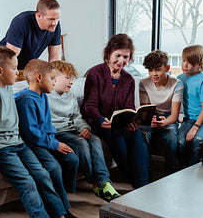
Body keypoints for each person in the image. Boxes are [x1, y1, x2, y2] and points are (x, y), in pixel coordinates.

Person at [0, 46, 75, 218]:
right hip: (1, 149)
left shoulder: (6, 86)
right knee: (27, 182)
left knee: (42, 174)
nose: (17, 73)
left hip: (17, 144)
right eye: (14, 68)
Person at [14, 59, 82, 218]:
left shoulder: (43, 95)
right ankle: (62, 211)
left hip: (47, 140)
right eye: (52, 78)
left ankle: (59, 198)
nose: (54, 82)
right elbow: (31, 133)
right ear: (39, 77)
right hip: (34, 144)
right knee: (53, 167)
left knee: (71, 158)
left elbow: (47, 125)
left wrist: (54, 141)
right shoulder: (26, 99)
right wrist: (54, 145)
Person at [81, 33, 149, 189]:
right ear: (109, 54)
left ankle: (143, 184)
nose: (121, 60)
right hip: (100, 122)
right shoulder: (94, 73)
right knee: (117, 136)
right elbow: (89, 105)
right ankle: (137, 184)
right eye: (117, 55)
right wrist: (100, 120)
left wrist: (133, 121)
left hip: (119, 122)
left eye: (125, 57)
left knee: (136, 134)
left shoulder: (129, 79)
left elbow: (130, 107)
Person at [48, 60, 121, 202]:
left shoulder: (70, 96)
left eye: (73, 78)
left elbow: (77, 116)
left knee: (94, 139)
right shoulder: (45, 96)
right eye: (67, 78)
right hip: (58, 133)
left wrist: (85, 128)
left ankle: (105, 182)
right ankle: (96, 183)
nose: (71, 82)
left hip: (73, 130)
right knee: (81, 142)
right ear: (54, 78)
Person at [139, 50, 183, 176]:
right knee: (143, 133)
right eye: (151, 70)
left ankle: (171, 174)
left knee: (171, 135)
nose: (154, 74)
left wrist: (163, 123)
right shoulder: (143, 83)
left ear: (167, 68)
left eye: (158, 69)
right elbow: (145, 109)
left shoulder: (177, 84)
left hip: (169, 116)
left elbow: (174, 116)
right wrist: (151, 120)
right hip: (151, 115)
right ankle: (144, 174)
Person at [177, 44, 203, 167]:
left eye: (189, 62)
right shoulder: (179, 79)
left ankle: (193, 171)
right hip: (189, 119)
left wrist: (195, 127)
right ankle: (183, 170)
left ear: (199, 64)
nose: (185, 65)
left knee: (198, 140)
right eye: (183, 60)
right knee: (180, 142)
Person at [0, 0, 62, 69]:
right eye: (51, 19)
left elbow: (54, 58)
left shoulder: (55, 26)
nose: (55, 23)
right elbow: (10, 58)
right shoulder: (21, 22)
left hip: (24, 67)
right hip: (3, 64)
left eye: (57, 18)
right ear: (38, 15)